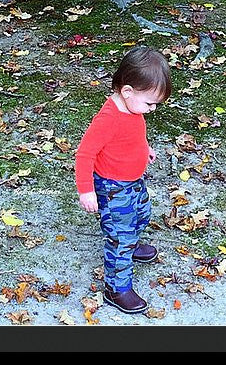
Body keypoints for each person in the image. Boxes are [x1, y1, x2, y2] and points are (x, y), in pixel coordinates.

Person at [75, 45, 171, 314]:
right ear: (127, 91)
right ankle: (116, 288)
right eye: (150, 102)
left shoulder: (133, 109)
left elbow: (135, 134)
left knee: (142, 214)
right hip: (113, 188)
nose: (152, 109)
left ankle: (131, 242)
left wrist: (145, 148)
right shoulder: (108, 119)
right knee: (119, 237)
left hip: (133, 181)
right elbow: (84, 154)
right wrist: (86, 191)